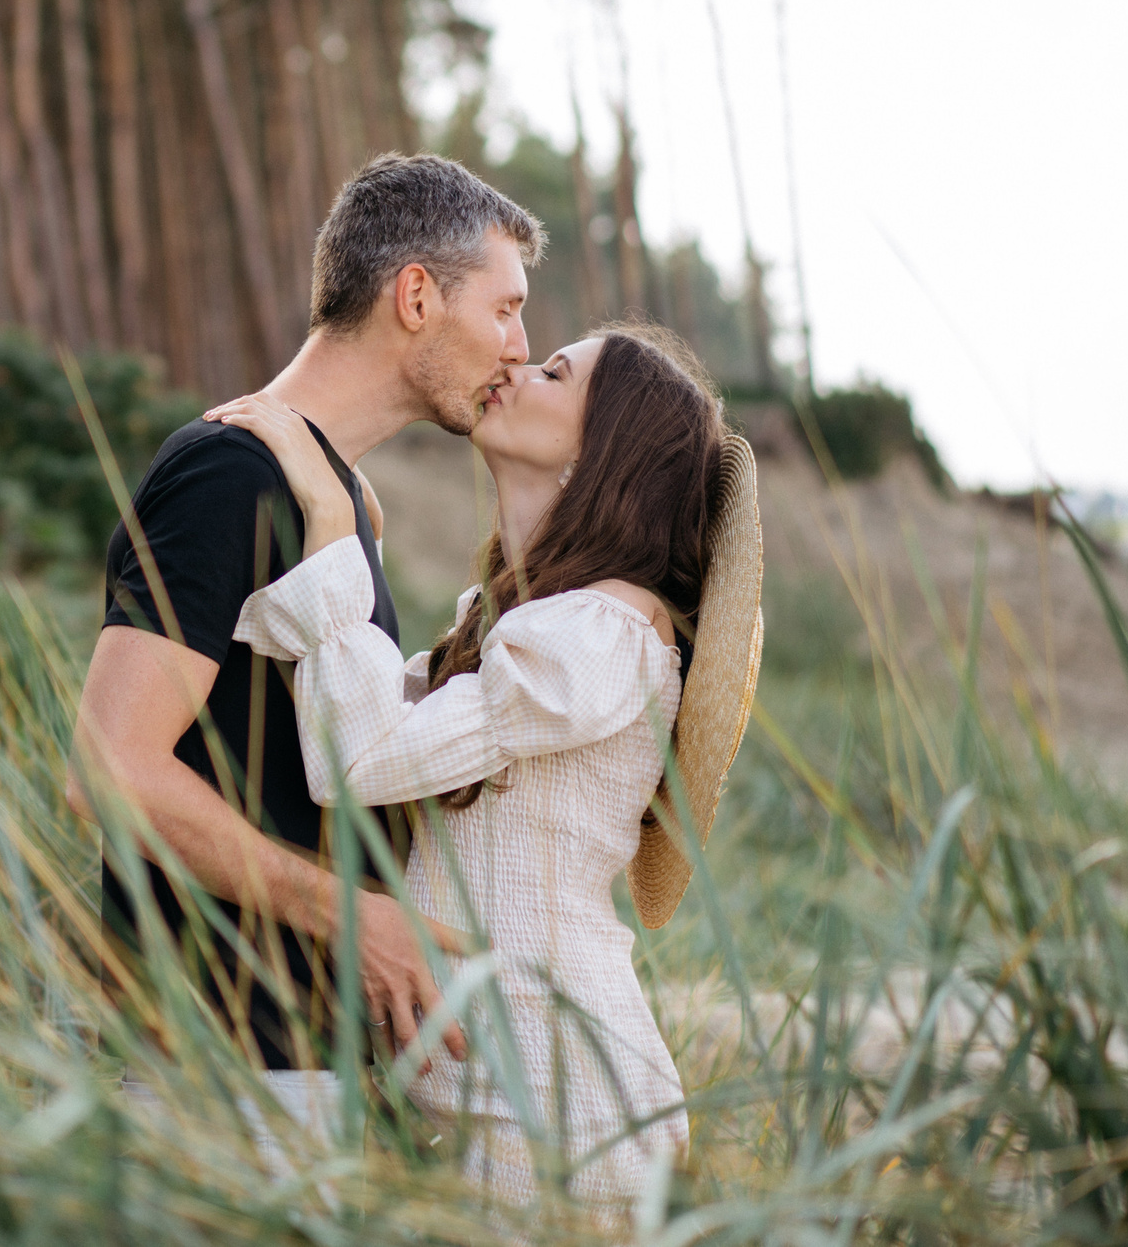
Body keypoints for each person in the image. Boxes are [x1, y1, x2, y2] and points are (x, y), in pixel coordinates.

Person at [205, 323, 766, 1220]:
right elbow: (370, 712)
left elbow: (358, 759)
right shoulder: (519, 618)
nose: (517, 365)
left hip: (562, 1102)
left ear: (602, 454)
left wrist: (330, 527)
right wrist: (357, 550)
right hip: (494, 1089)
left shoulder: (602, 635)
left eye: (554, 373)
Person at [64, 153, 544, 1146]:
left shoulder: (330, 505)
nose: (519, 345)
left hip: (285, 1058)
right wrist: (349, 919)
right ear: (415, 294)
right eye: (504, 309)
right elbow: (108, 769)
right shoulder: (231, 475)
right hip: (204, 1056)